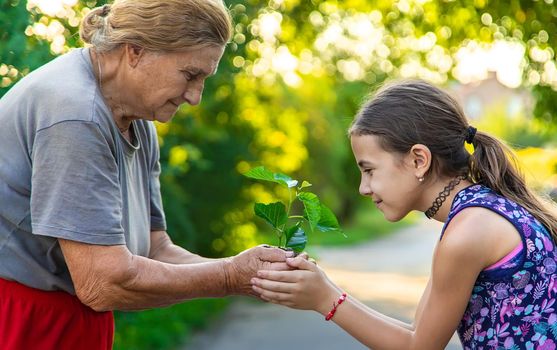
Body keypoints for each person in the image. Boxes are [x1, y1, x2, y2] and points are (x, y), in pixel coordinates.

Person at [0, 1, 294, 349]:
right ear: (136, 50)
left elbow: (155, 249)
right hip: (21, 322)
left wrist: (252, 274)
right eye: (190, 74)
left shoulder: (135, 119)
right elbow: (102, 282)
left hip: (70, 321)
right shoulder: (76, 116)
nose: (196, 97)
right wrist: (230, 276)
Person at [251, 80, 557, 349]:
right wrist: (326, 290)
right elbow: (415, 334)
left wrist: (325, 299)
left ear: (418, 160)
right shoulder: (473, 216)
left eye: (369, 170)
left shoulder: (467, 232)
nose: (363, 188)